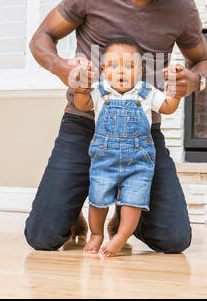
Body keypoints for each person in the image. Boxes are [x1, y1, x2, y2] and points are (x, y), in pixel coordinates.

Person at [24, 0, 207, 253]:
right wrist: (60, 67)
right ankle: (78, 215)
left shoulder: (182, 8)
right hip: (83, 127)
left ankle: (124, 215)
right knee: (42, 237)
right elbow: (42, 37)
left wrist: (195, 80)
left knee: (175, 240)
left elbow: (205, 63)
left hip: (143, 137)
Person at [74, 37, 181, 257]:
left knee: (133, 201)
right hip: (104, 159)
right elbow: (81, 104)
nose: (121, 71)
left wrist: (176, 91)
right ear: (104, 71)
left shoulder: (146, 92)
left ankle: (121, 237)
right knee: (98, 199)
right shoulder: (99, 91)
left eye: (129, 66)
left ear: (140, 71)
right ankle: (96, 234)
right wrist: (81, 87)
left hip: (138, 161)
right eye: (114, 66)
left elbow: (168, 107)